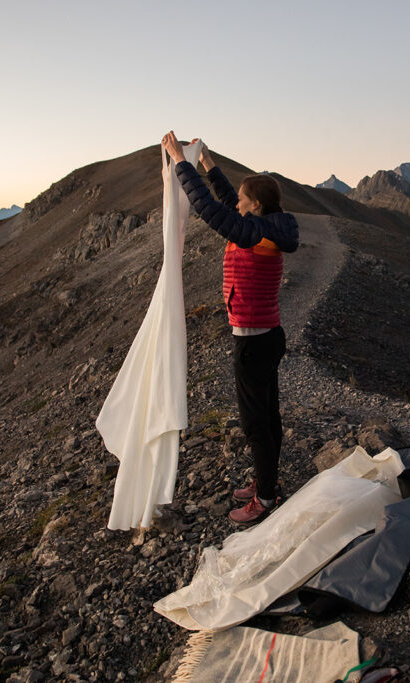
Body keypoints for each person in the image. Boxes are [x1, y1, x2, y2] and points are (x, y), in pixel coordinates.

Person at [161, 131, 299, 525]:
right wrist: (206, 163)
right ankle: (266, 480)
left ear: (254, 205)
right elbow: (224, 201)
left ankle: (266, 498)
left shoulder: (256, 235)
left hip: (254, 343)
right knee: (268, 415)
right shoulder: (265, 228)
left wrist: (180, 162)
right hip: (266, 336)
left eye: (243, 198)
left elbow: (209, 209)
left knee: (256, 422)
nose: (236, 202)